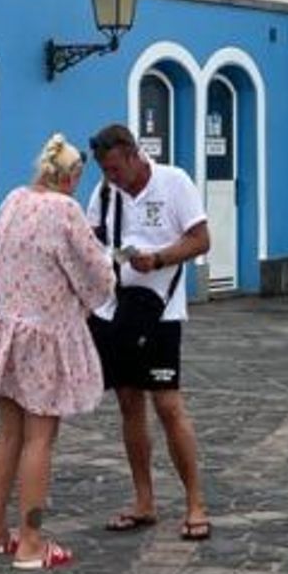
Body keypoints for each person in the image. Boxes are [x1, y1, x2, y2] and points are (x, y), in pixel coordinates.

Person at [0, 132, 114, 571]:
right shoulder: (66, 210)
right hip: (42, 336)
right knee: (40, 438)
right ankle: (32, 542)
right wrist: (100, 289)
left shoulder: (14, 199)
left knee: (7, 433)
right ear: (72, 176)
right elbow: (96, 273)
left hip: (2, 331)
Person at [85, 122, 213, 542]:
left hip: (160, 312)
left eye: (116, 168)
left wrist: (158, 260)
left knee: (168, 405)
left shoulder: (174, 182)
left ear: (134, 154)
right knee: (128, 402)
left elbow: (200, 240)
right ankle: (144, 500)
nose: (111, 177)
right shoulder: (104, 194)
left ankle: (196, 502)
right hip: (116, 310)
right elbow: (92, 240)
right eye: (105, 170)